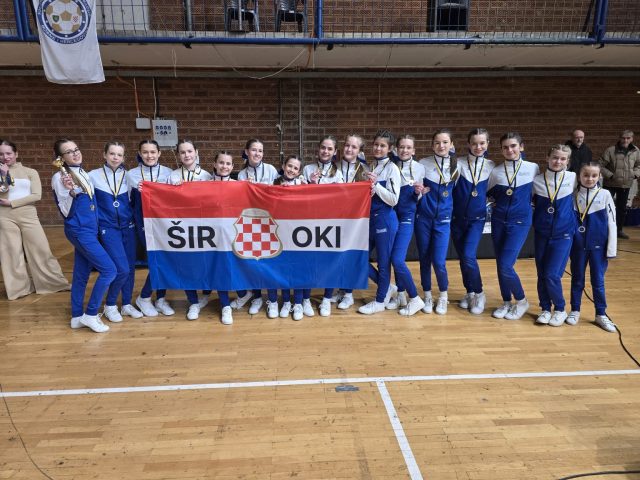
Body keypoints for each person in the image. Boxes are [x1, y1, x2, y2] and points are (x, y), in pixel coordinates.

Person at [52, 139, 117, 333]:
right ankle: (90, 314)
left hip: (90, 229)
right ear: (61, 158)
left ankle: (76, 316)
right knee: (109, 270)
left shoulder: (83, 172)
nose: (75, 153)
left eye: (76, 149)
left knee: (81, 274)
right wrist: (69, 191)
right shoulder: (60, 177)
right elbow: (65, 209)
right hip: (80, 230)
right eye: (69, 152)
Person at [0, 139, 70, 300]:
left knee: (41, 249)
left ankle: (53, 284)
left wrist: (12, 203)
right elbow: (2, 192)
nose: (5, 157)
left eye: (9, 153)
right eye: (1, 154)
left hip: (28, 215)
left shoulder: (30, 172)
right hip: (4, 216)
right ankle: (19, 289)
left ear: (16, 153)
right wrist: (3, 175)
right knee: (11, 253)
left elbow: (36, 196)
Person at [89, 142, 144, 322]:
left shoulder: (128, 176)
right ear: (104, 155)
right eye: (112, 153)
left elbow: (137, 197)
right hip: (108, 228)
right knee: (121, 269)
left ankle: (126, 304)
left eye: (119, 155)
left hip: (128, 227)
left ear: (124, 158)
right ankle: (110, 304)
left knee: (130, 268)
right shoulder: (93, 176)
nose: (115, 158)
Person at [487, 132, 539, 321]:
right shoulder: (496, 172)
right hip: (498, 221)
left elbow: (537, 193)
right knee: (500, 263)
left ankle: (522, 300)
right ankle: (506, 302)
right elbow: (489, 194)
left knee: (506, 264)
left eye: (513, 146)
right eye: (505, 147)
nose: (510, 150)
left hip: (520, 222)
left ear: (521, 147)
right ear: (501, 150)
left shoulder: (532, 168)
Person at [127, 139, 175, 317]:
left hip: (164, 222)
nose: (149, 156)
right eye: (145, 152)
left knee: (165, 259)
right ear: (140, 154)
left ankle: (160, 299)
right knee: (156, 260)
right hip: (143, 223)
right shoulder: (131, 175)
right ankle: (145, 297)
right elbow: (129, 202)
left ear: (159, 153)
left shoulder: (169, 173)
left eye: (153, 152)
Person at [568, 162, 618, 333]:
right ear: (579, 176)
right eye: (586, 175)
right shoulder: (573, 195)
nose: (589, 179)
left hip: (599, 247)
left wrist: (611, 249)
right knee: (577, 279)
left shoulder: (605, 195)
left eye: (594, 175)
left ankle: (601, 314)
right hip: (578, 246)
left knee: (598, 281)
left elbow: (612, 222)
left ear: (599, 177)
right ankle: (575, 310)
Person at [451, 129, 495, 315]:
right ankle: (469, 292)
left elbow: (494, 191)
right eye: (474, 143)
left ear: (487, 144)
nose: (478, 147)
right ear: (468, 144)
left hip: (477, 220)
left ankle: (479, 292)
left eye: (482, 143)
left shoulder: (491, 166)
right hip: (457, 219)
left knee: (469, 255)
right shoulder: (458, 163)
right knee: (463, 257)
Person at [233, 139, 280, 315]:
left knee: (270, 262)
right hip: (251, 223)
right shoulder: (241, 174)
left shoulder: (271, 170)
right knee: (254, 262)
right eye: (254, 150)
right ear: (246, 152)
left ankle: (273, 300)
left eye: (260, 151)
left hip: (270, 222)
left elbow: (278, 193)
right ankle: (257, 297)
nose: (257, 154)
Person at [532, 145, 577, 327]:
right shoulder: (536, 181)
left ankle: (560, 309)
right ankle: (545, 308)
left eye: (563, 159)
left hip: (563, 234)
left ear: (568, 161)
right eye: (555, 157)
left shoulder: (574, 178)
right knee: (542, 274)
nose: (558, 161)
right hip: (542, 234)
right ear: (547, 158)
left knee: (552, 274)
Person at [167, 139, 212, 320]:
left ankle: (206, 295)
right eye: (183, 152)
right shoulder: (173, 176)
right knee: (187, 265)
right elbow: (166, 202)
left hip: (204, 228)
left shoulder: (207, 176)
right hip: (183, 228)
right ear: (178, 155)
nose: (187, 155)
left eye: (190, 151)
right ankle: (193, 301)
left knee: (206, 263)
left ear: (196, 152)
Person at [358, 130, 401, 315]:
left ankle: (380, 301)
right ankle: (388, 288)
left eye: (382, 146)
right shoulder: (372, 166)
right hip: (370, 220)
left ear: (389, 149)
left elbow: (394, 199)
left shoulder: (392, 169)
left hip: (386, 220)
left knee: (384, 263)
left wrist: (376, 185)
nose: (378, 148)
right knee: (359, 258)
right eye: (376, 144)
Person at [414, 129, 457, 315]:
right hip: (423, 219)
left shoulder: (458, 166)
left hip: (443, 220)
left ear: (451, 145)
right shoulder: (423, 164)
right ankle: (427, 295)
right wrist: (418, 192)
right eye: (437, 142)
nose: (441, 146)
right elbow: (415, 189)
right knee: (424, 259)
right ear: (432, 145)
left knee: (439, 261)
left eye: (445, 142)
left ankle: (443, 296)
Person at [302, 135, 344, 317]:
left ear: (335, 152)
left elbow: (343, 199)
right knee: (308, 262)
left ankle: (326, 298)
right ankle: (305, 299)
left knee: (329, 262)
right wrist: (311, 184)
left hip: (330, 223)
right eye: (323, 148)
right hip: (309, 223)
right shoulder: (307, 169)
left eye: (329, 149)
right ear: (318, 149)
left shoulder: (338, 173)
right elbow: (300, 197)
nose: (325, 151)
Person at [387, 134, 425, 316]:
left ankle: (415, 298)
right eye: (402, 147)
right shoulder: (391, 166)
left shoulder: (419, 168)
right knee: (393, 257)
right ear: (396, 149)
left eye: (408, 147)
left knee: (397, 259)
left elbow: (420, 194)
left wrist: (418, 192)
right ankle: (400, 295)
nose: (405, 150)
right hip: (392, 216)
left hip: (407, 217)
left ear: (413, 150)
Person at [332, 133, 369, 310]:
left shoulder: (365, 170)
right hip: (336, 219)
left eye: (354, 147)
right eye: (347, 145)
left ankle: (348, 294)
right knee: (338, 256)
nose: (349, 149)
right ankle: (341, 290)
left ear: (359, 151)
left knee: (351, 256)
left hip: (356, 221)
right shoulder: (334, 167)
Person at [203, 151, 236, 326]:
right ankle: (223, 304)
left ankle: (237, 299)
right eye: (221, 163)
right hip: (211, 235)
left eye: (228, 163)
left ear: (232, 166)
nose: (224, 166)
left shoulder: (239, 185)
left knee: (230, 268)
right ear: (215, 164)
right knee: (215, 267)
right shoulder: (205, 185)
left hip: (233, 235)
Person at [274, 154, 308, 321]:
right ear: (283, 166)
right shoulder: (274, 183)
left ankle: (299, 303)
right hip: (281, 232)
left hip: (298, 233)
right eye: (289, 166)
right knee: (284, 268)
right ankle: (286, 301)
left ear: (299, 171)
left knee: (298, 269)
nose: (292, 170)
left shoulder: (303, 186)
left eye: (295, 168)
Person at [599, 130, 640, 239]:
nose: (625, 140)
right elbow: (600, 165)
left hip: (626, 185)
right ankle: (603, 230)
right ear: (619, 138)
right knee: (606, 207)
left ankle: (619, 230)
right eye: (623, 138)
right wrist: (611, 175)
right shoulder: (610, 150)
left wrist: (635, 174)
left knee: (621, 209)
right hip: (610, 184)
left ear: (632, 139)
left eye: (628, 138)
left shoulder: (636, 151)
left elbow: (638, 165)